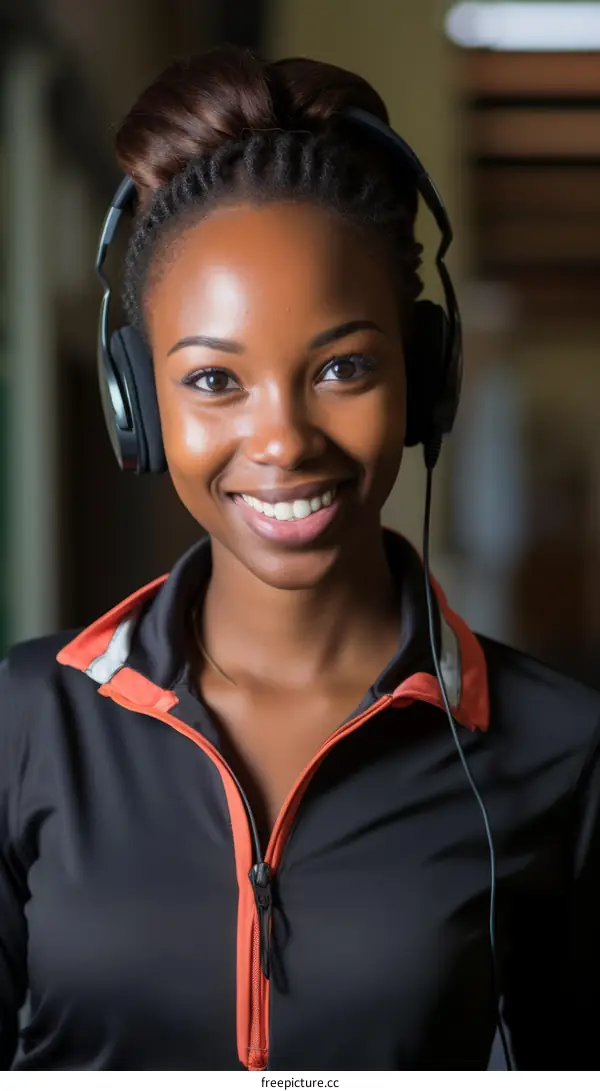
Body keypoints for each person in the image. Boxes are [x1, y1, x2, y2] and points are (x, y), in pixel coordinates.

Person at [1, 45, 599, 1073]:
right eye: (214, 380)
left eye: (341, 366)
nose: (282, 441)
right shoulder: (22, 721)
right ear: (135, 403)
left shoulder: (562, 746)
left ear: (424, 373)